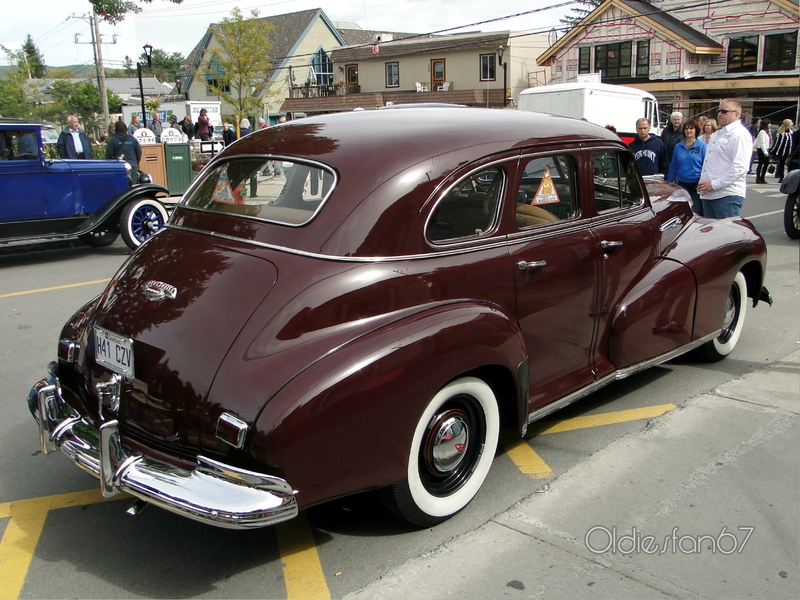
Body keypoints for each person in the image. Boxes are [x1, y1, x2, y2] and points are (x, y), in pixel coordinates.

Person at [697, 98, 752, 218]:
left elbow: (740, 167)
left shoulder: (739, 134)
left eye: (724, 111)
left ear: (736, 114)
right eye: (719, 111)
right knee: (711, 233)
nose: (719, 114)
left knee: (727, 234)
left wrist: (714, 184)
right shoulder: (718, 133)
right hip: (708, 194)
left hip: (727, 195)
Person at [667, 118, 707, 215]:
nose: (689, 131)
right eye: (686, 129)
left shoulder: (703, 146)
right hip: (682, 183)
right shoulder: (678, 147)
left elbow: (706, 166)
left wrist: (703, 182)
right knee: (683, 210)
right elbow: (674, 166)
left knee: (697, 210)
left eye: (691, 128)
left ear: (696, 130)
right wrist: (668, 183)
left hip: (697, 184)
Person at [106, 120, 142, 185]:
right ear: (125, 128)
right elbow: (139, 152)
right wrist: (136, 161)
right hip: (132, 164)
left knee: (121, 187)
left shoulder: (113, 140)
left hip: (119, 166)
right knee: (133, 187)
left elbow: (109, 154)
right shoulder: (132, 139)